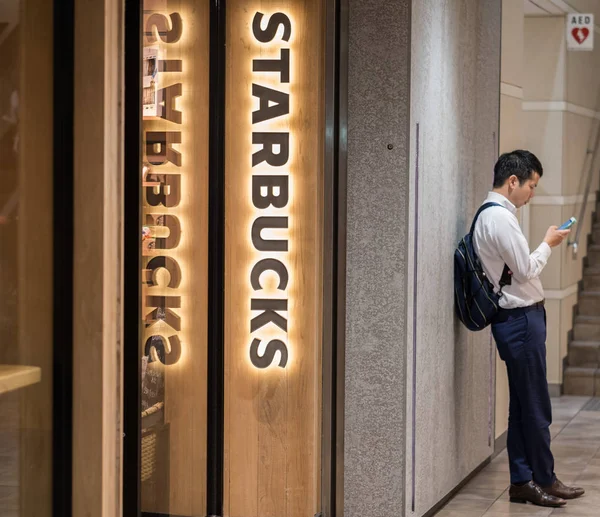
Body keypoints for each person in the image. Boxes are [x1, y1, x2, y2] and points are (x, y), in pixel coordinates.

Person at [473, 150, 585, 508]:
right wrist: (549, 244)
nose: (531, 194)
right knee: (535, 405)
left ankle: (525, 481)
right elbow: (525, 270)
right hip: (519, 321)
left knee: (523, 405)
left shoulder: (492, 215)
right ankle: (543, 480)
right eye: (531, 186)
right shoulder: (501, 219)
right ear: (513, 182)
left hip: (518, 321)